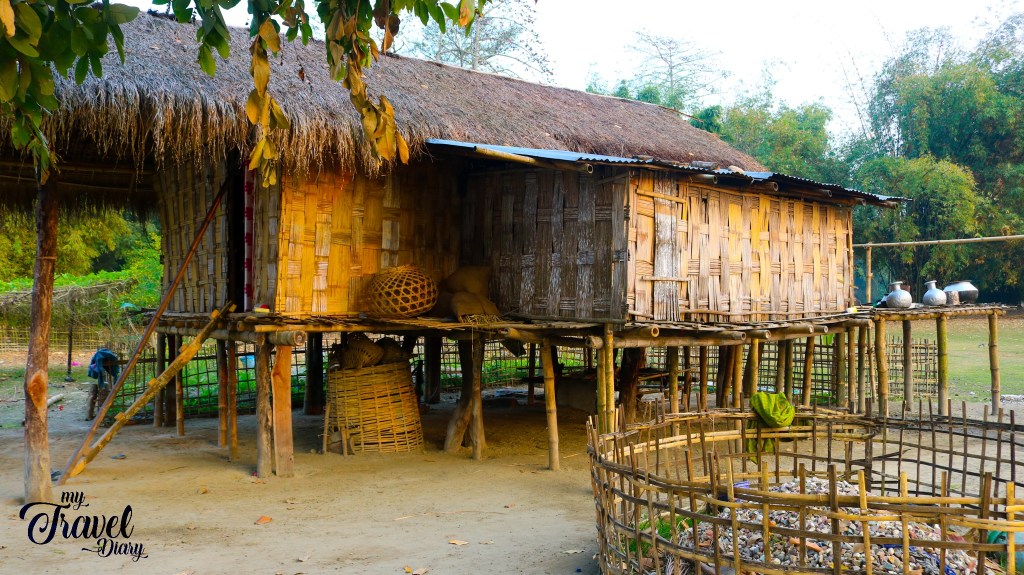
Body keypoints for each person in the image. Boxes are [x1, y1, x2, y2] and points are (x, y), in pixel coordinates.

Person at [86, 347, 120, 420]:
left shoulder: (99, 356)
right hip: (102, 386)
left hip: (103, 386)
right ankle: (94, 414)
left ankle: (92, 415)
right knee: (95, 394)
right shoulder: (100, 356)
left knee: (96, 394)